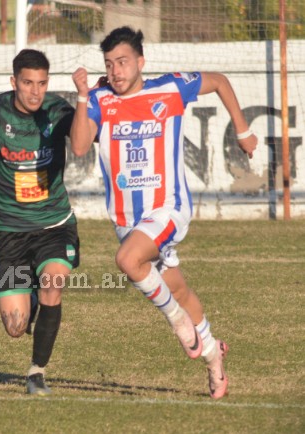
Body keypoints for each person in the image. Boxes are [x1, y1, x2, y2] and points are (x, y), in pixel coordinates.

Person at [70, 26, 258, 399]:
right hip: (127, 218)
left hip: (167, 208)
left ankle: (177, 323)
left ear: (141, 61)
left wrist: (242, 131)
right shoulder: (99, 99)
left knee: (127, 259)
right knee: (178, 288)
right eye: (109, 65)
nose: (115, 72)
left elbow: (219, 81)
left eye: (122, 62)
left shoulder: (170, 88)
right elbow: (77, 147)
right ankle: (212, 354)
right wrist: (80, 96)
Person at [0, 49, 80, 396]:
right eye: (27, 83)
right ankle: (31, 298)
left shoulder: (57, 110)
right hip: (10, 233)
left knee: (53, 282)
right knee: (15, 326)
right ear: (14, 82)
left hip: (54, 224)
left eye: (41, 83)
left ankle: (36, 373)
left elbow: (86, 133)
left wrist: (89, 99)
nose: (35, 91)